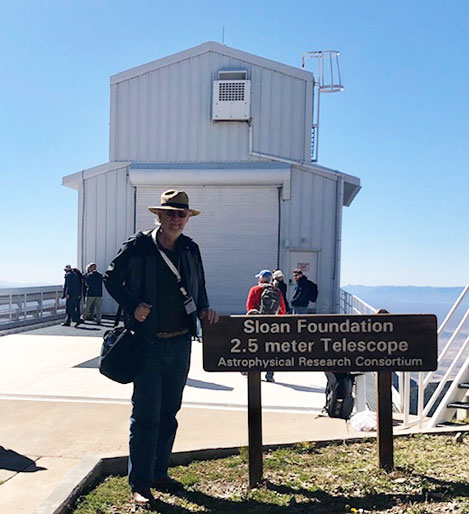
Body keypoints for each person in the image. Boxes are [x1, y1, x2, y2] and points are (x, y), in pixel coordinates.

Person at [104, 189, 218, 506]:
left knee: (169, 413)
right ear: (159, 215)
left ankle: (158, 472)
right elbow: (111, 279)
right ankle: (140, 483)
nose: (176, 219)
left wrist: (205, 309)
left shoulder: (190, 249)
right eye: (171, 213)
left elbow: (200, 286)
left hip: (181, 342)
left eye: (182, 214)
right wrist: (133, 306)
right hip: (148, 344)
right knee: (145, 416)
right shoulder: (139, 245)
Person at [246, 269, 286, 382]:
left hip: (257, 324)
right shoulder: (276, 291)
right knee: (270, 349)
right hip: (272, 325)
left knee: (254, 347)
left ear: (261, 279)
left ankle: (252, 369)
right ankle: (270, 374)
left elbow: (249, 307)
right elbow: (282, 309)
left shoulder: (255, 290)